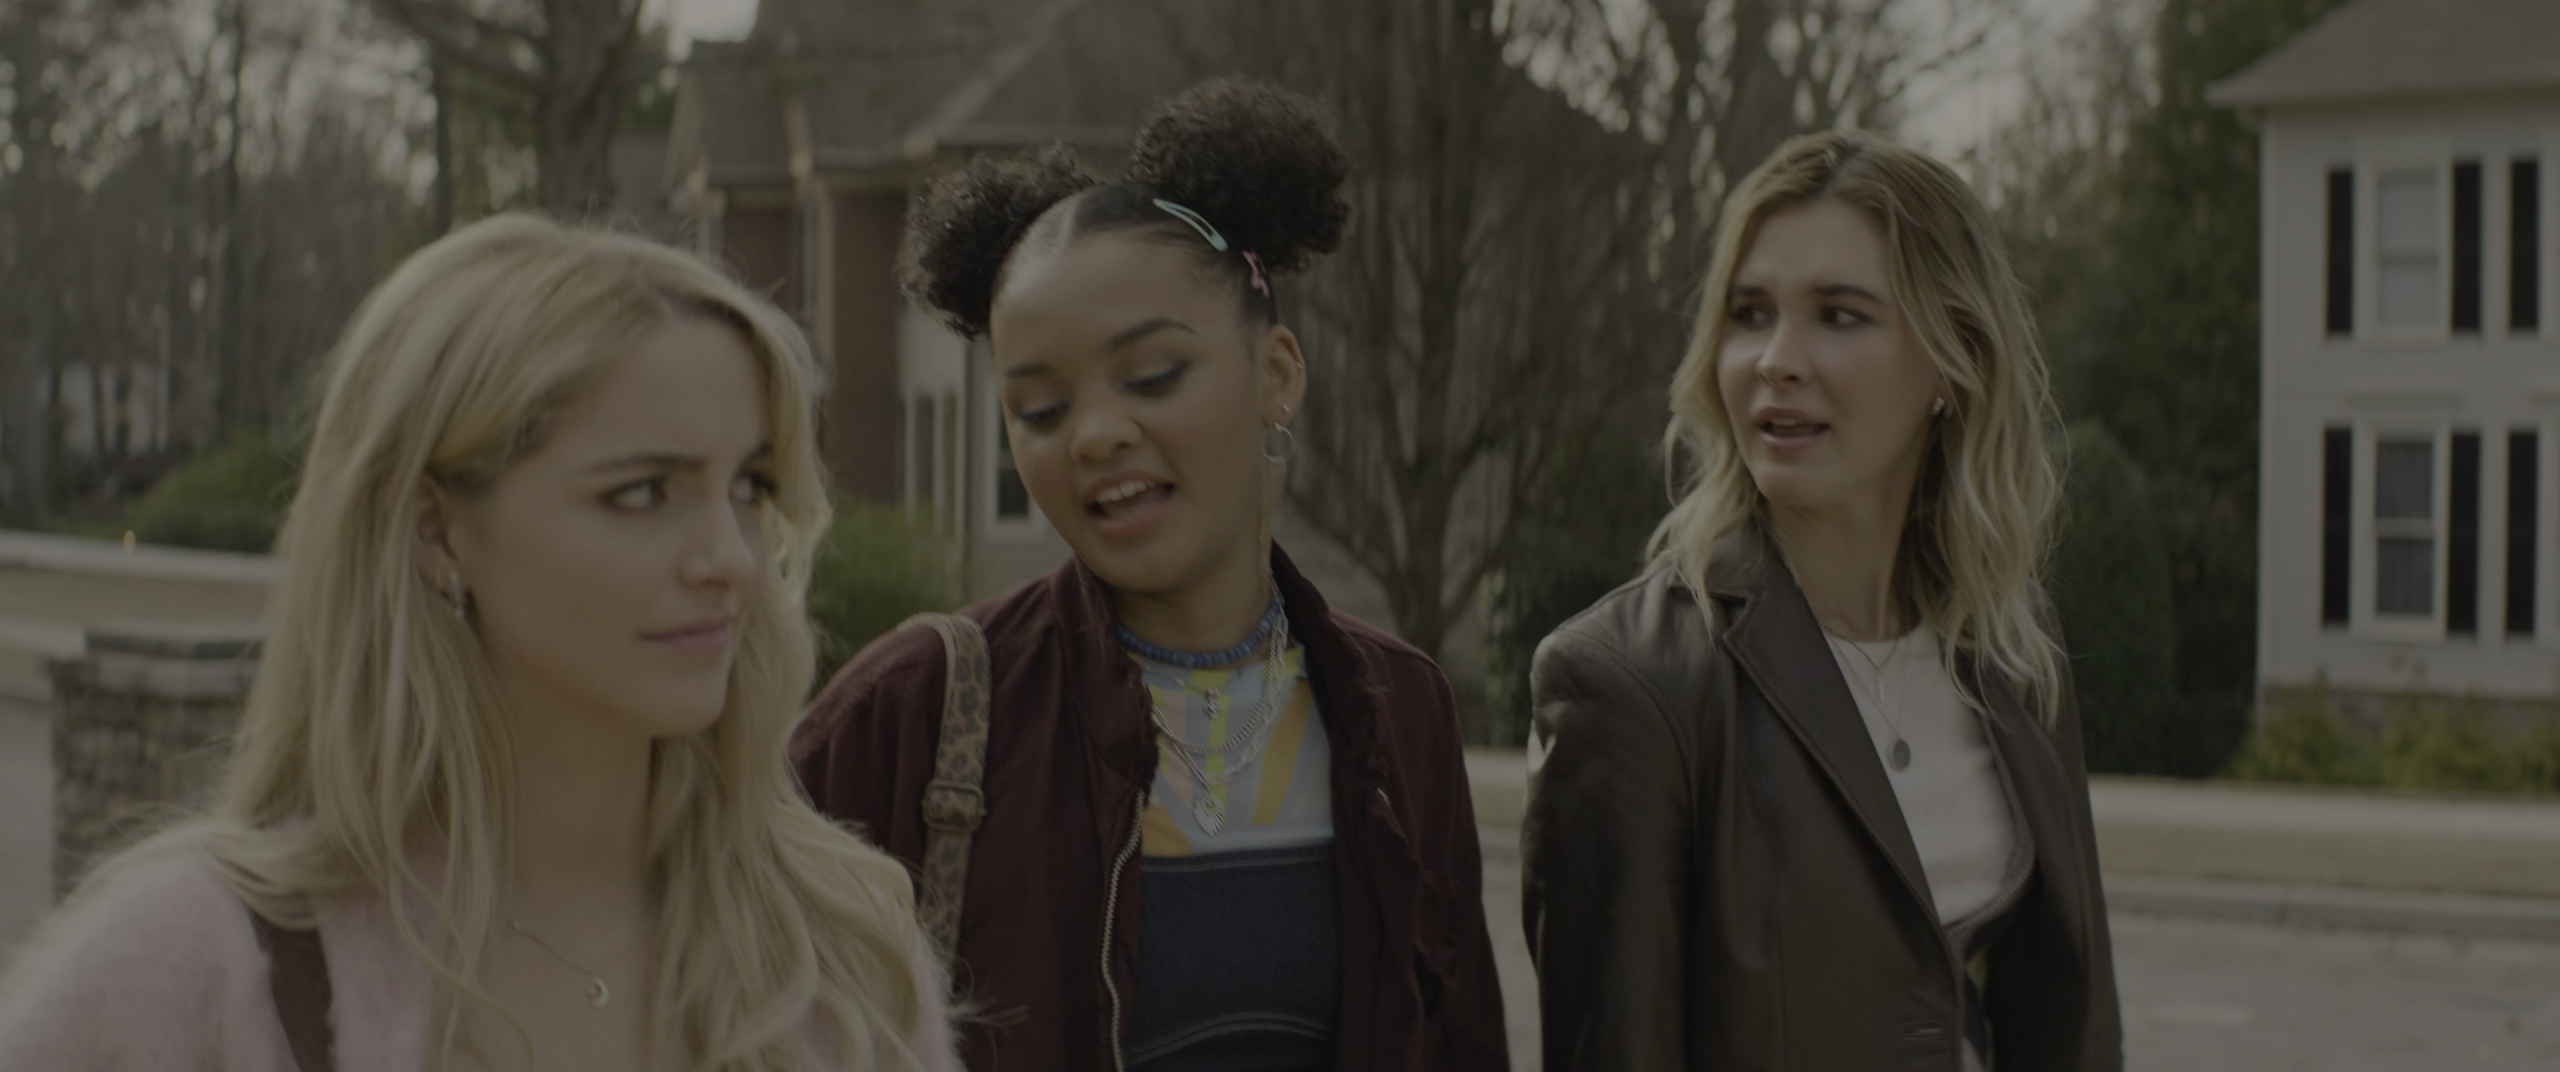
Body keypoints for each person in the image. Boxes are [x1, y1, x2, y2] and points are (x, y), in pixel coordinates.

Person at [0, 215, 959, 1072]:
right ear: (437, 530)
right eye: (643, 493)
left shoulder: (840, 956)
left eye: (749, 487)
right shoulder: (201, 967)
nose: (732, 560)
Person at [791, 77, 1508, 1072]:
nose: (1095, 434)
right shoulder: (913, 711)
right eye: (1040, 409)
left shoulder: (1400, 712)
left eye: (1153, 376)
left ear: (1277, 374)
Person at [1521, 129, 2123, 1071]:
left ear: (1951, 361)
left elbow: (2076, 1027)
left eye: (1839, 315)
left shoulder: (2013, 645)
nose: (1777, 358)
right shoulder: (1629, 686)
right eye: (1750, 313)